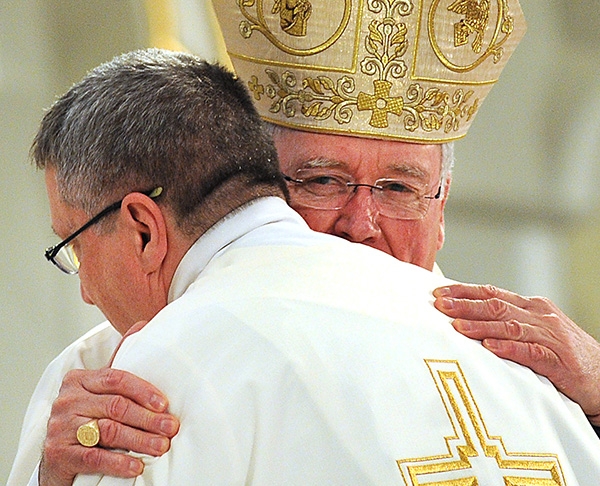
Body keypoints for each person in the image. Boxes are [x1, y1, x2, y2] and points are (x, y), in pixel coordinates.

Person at [7, 0, 600, 483]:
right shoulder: (129, 365)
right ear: (258, 185)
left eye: (398, 188)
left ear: (441, 204)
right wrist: (56, 472)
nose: (360, 221)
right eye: (322, 181)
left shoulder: (536, 369)